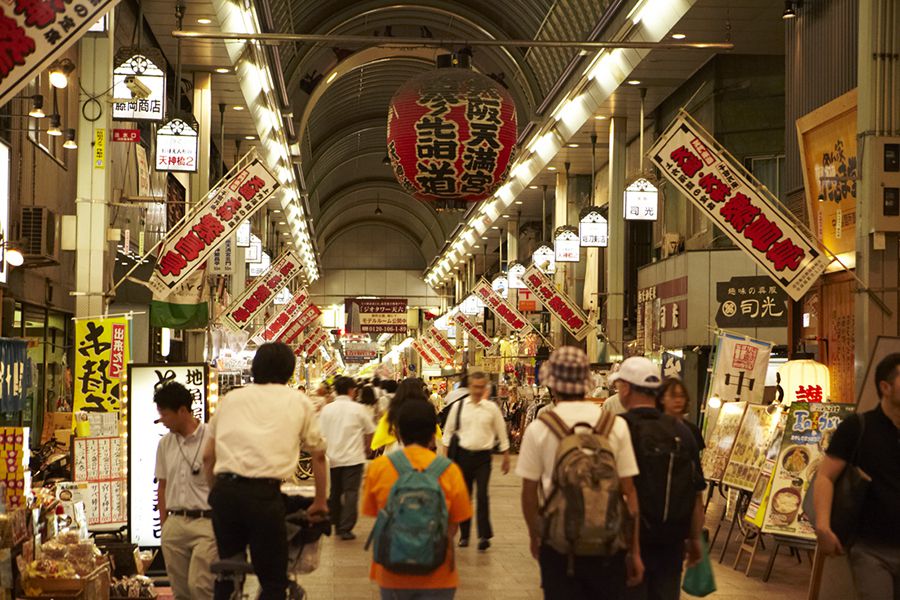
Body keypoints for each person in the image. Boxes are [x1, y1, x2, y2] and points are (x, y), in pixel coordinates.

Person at [203, 342, 329, 600]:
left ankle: (226, 590)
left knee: (227, 569)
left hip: (225, 493)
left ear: (256, 367)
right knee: (272, 579)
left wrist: (216, 493)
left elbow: (207, 457)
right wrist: (320, 501)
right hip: (263, 497)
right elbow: (318, 454)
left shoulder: (230, 399)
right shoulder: (298, 401)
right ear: (289, 370)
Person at [517, 347, 642, 600]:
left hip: (559, 542)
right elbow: (629, 493)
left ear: (552, 384)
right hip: (609, 541)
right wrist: (635, 550)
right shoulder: (614, 425)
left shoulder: (540, 427)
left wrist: (535, 534)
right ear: (587, 384)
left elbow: (529, 493)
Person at [614, 357, 705, 600]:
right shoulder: (682, 431)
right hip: (671, 541)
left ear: (626, 388)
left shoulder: (617, 429)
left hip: (625, 543)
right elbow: (697, 493)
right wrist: (695, 538)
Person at [362, 400, 472, 600]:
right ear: (433, 434)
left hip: (391, 573)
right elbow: (455, 524)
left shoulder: (379, 468)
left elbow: (373, 513)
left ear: (398, 433)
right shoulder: (450, 470)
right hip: (439, 574)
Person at [814, 353, 900, 600]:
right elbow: (825, 476)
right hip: (870, 549)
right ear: (886, 387)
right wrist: (822, 527)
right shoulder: (858, 427)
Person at [154, 382, 218, 600]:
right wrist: (165, 524)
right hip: (175, 524)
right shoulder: (165, 444)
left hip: (206, 523)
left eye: (165, 414)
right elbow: (161, 487)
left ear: (182, 411)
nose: (162, 420)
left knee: (200, 585)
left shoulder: (212, 437)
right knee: (180, 591)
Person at [441, 370, 510, 551]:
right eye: (475, 387)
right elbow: (448, 434)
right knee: (465, 497)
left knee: (482, 495)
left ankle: (483, 536)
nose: (478, 390)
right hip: (462, 457)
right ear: (469, 387)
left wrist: (505, 455)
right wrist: (445, 458)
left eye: (481, 387)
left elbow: (501, 431)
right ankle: (464, 535)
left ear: (486, 387)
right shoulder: (459, 407)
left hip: (483, 459)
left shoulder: (492, 408)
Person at [318, 376, 375, 541]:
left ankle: (335, 522)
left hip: (332, 457)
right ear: (352, 390)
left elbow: (320, 433)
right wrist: (368, 447)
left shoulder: (327, 409)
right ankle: (346, 528)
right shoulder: (358, 409)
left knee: (335, 492)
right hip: (354, 458)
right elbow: (370, 430)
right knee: (351, 493)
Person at [657, 378, 705, 450]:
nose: (678, 400)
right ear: (662, 399)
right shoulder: (655, 427)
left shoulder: (693, 429)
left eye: (681, 396)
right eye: (673, 396)